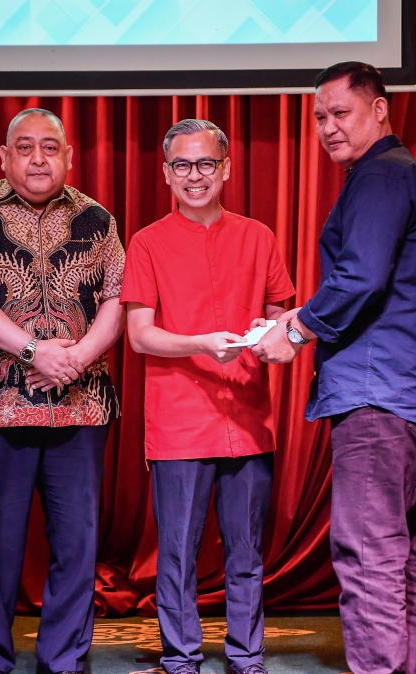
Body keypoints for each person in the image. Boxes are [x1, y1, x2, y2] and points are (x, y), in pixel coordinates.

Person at [253, 62, 416, 673]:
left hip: (382, 398)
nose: (327, 127)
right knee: (413, 551)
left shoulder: (378, 178)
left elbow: (363, 278)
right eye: (319, 116)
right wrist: (304, 314)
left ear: (380, 110)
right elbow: (386, 281)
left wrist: (295, 329)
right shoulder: (401, 175)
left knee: (371, 554)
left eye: (340, 113)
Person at [0, 108, 125, 674]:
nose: (38, 158)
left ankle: (64, 656)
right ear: (3, 156)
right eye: (25, 147)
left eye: (51, 147)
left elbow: (120, 299)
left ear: (69, 156)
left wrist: (77, 358)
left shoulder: (98, 219)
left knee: (77, 542)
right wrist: (34, 351)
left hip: (81, 407)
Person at [121, 119, 296, 674]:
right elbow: (139, 333)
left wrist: (277, 337)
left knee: (246, 552)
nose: (194, 176)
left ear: (225, 168)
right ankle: (181, 658)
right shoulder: (147, 242)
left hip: (246, 416)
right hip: (178, 421)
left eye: (205, 165)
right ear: (166, 174)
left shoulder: (258, 236)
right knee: (176, 553)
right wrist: (199, 342)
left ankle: (248, 657)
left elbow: (280, 313)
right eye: (182, 166)